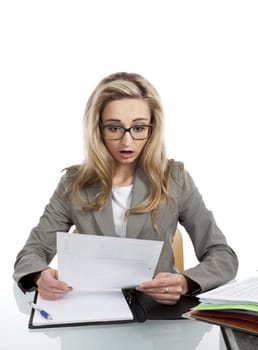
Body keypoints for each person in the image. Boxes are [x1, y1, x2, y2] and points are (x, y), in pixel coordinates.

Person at [13, 72, 238, 304]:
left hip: (157, 314)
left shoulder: (174, 178)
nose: (126, 142)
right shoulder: (73, 183)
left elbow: (223, 255)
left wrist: (184, 282)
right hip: (92, 309)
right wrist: (40, 276)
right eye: (114, 128)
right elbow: (31, 253)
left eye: (139, 128)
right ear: (98, 129)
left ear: (153, 128)